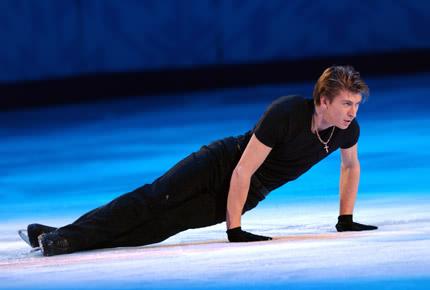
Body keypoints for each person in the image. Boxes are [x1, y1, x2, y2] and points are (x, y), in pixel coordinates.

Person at [23, 65, 377, 257]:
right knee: (153, 200)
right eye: (346, 103)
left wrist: (345, 219)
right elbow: (243, 168)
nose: (353, 111)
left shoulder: (347, 131)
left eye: (356, 104)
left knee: (159, 228)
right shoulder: (286, 113)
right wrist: (234, 230)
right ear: (323, 100)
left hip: (250, 192)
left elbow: (350, 166)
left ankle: (61, 238)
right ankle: (63, 238)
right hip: (220, 164)